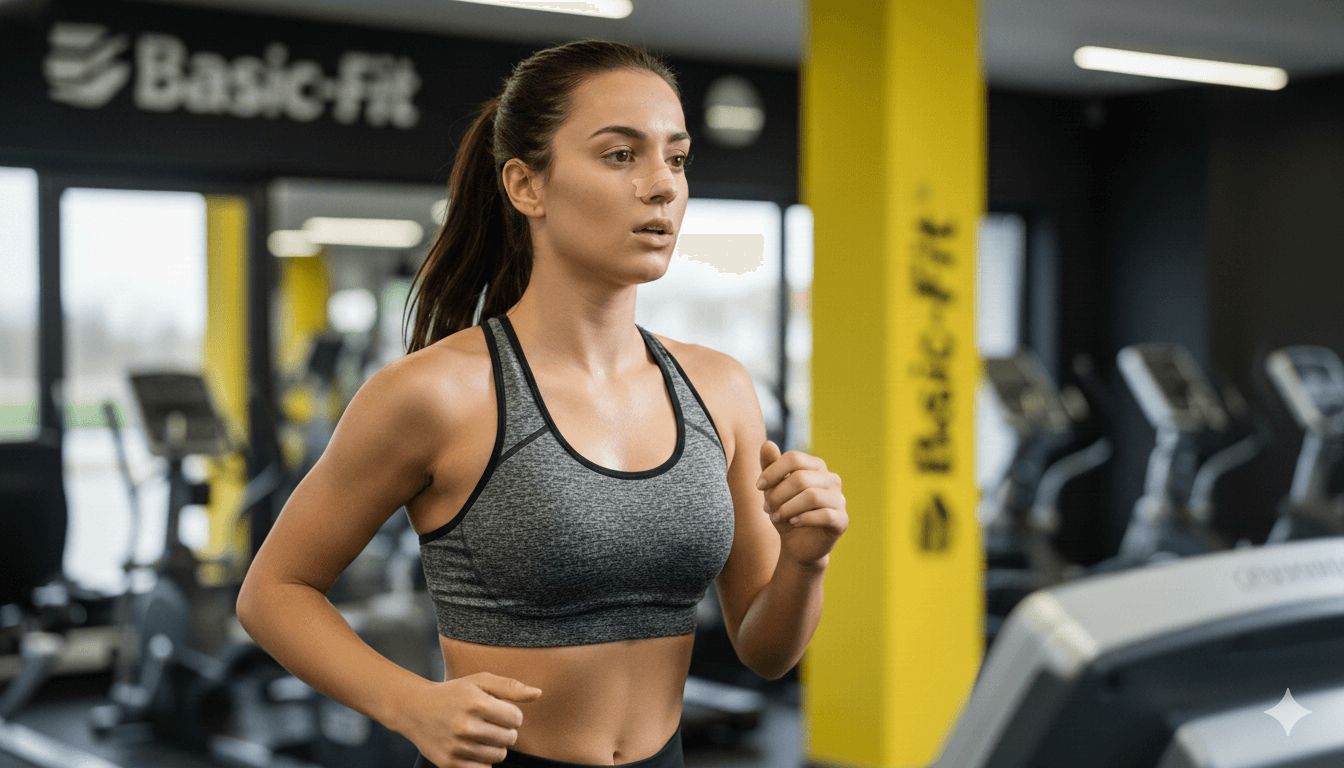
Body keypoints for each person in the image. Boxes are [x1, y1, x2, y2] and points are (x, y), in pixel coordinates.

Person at [235, 39, 849, 768]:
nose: (662, 186)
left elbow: (767, 650)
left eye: (676, 158)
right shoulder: (438, 392)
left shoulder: (719, 388)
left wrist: (806, 561)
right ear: (527, 186)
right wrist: (411, 704)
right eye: (621, 155)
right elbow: (274, 591)